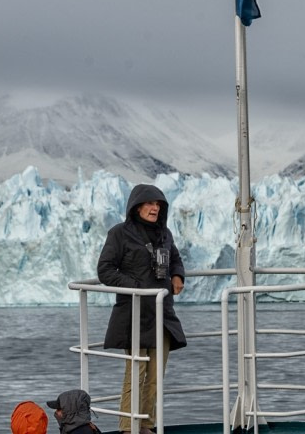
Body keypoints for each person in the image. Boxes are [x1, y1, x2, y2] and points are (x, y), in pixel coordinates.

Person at [97, 184, 187, 434]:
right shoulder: (119, 234)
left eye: (158, 204)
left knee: (156, 374)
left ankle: (146, 423)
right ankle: (129, 426)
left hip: (162, 313)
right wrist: (134, 286)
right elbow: (105, 269)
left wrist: (178, 275)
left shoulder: (164, 234)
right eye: (150, 203)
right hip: (134, 313)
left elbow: (176, 258)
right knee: (136, 371)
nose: (155, 208)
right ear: (137, 207)